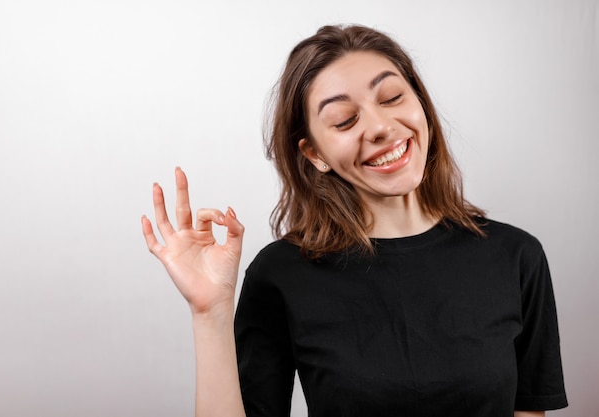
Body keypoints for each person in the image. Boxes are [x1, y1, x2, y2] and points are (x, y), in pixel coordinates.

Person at [141, 25, 567, 417]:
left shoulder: (515, 257)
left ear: (420, 103)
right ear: (315, 155)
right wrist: (209, 313)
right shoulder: (281, 275)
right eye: (344, 120)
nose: (380, 127)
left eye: (392, 97)